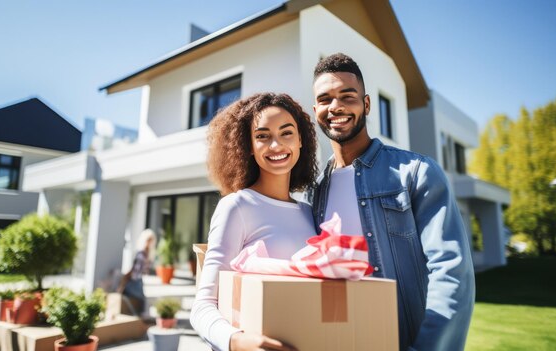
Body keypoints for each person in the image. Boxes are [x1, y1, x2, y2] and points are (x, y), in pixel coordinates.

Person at [308, 53, 475, 351]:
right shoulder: (317, 190)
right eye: (325, 99)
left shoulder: (416, 173)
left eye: (348, 96)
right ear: (316, 110)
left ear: (367, 104)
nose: (336, 106)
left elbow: (451, 271)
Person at [190, 93, 319, 351]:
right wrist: (237, 341)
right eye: (262, 136)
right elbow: (202, 307)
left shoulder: (310, 212)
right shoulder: (237, 207)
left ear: (301, 139)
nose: (276, 145)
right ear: (248, 145)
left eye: (286, 133)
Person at [117, 228, 155, 317]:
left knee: (143, 299)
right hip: (134, 281)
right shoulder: (141, 253)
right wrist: (123, 284)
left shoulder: (148, 253)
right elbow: (134, 271)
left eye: (151, 240)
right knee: (142, 299)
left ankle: (141, 313)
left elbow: (145, 271)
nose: (149, 242)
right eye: (148, 240)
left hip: (140, 280)